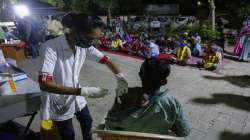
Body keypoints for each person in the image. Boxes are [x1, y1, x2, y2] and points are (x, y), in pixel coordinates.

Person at [38, 12, 128, 140]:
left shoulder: (84, 46)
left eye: (94, 39)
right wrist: (83, 91)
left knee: (87, 121)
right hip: (58, 99)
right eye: (90, 38)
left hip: (77, 96)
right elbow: (45, 84)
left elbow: (107, 60)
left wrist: (121, 78)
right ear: (74, 31)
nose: (92, 43)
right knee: (68, 134)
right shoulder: (50, 48)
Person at [105, 58, 191, 137]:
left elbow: (109, 125)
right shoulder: (172, 103)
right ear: (164, 82)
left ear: (140, 75)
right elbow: (184, 131)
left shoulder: (125, 95)